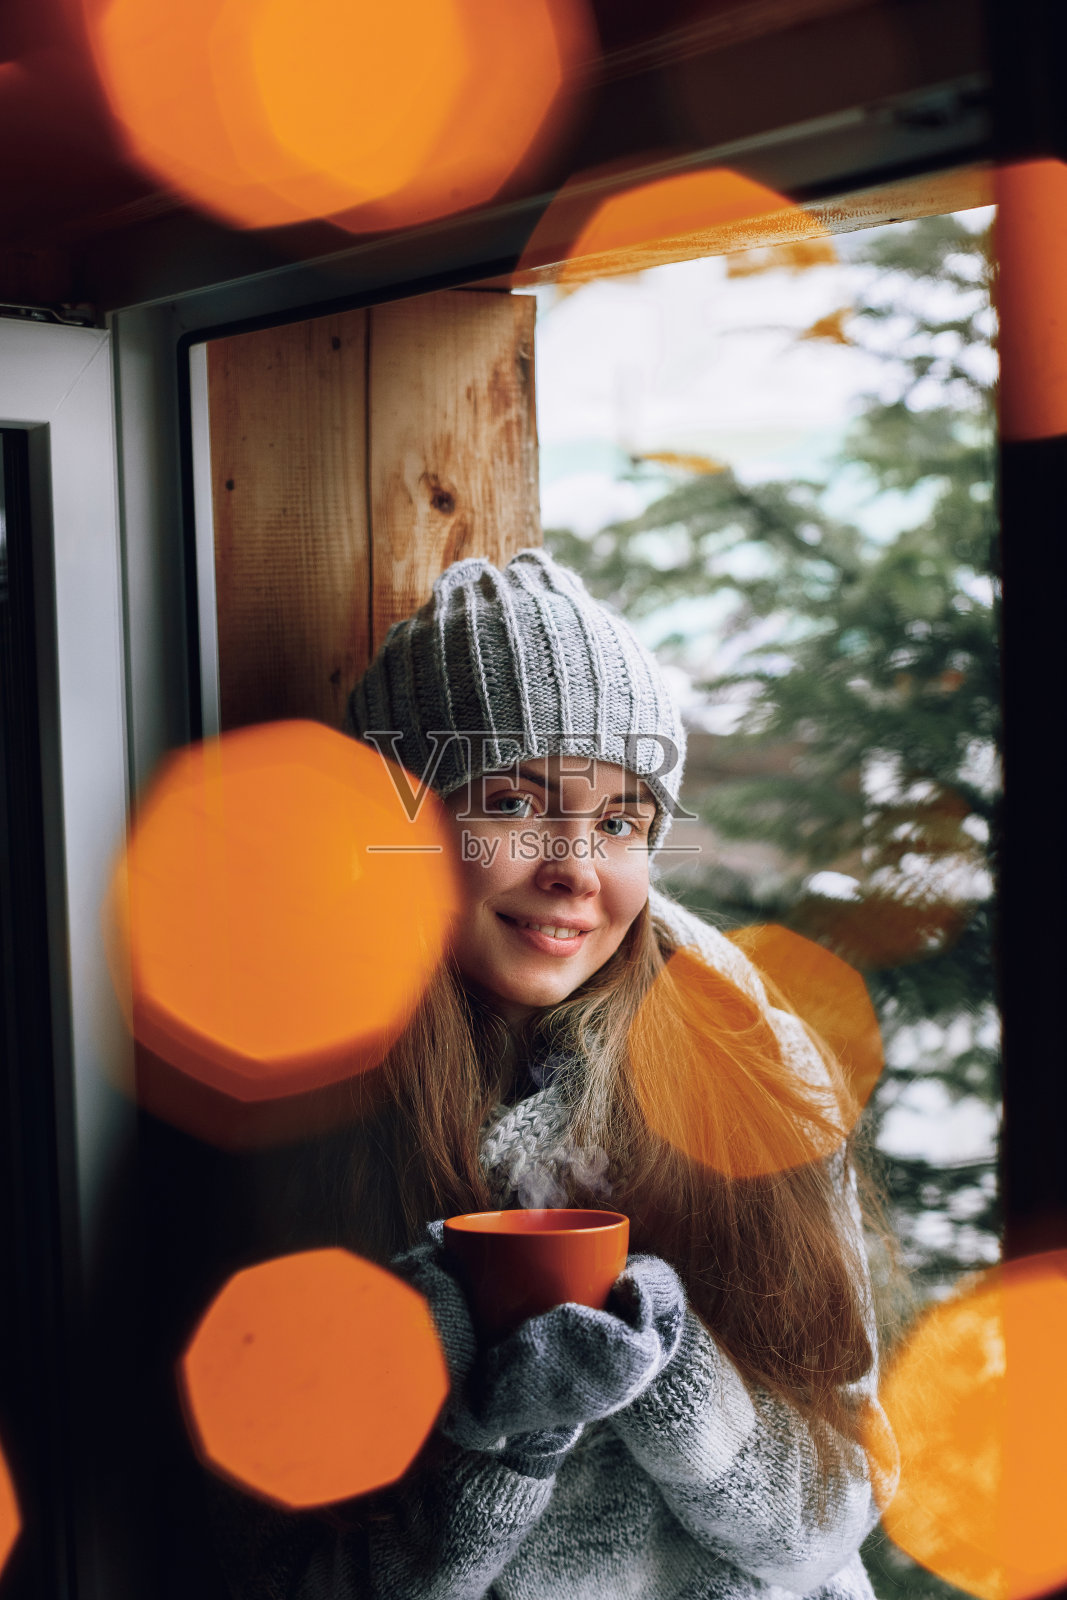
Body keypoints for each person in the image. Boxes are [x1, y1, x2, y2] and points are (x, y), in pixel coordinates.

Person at [211, 546, 899, 1600]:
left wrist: (671, 1375)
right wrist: (502, 1439)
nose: (575, 867)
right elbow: (279, 1568)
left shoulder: (754, 1074)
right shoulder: (299, 1122)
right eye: (512, 801)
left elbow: (832, 1514)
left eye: (620, 819)